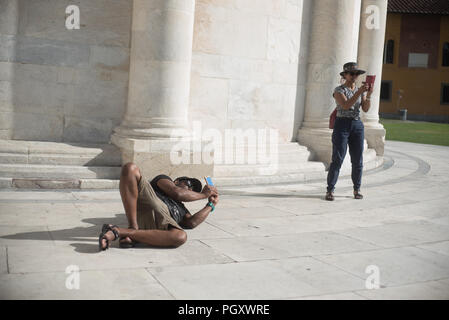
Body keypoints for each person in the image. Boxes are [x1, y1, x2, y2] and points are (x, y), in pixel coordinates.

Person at [99, 162, 219, 250]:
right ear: (177, 181)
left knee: (180, 236)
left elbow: (191, 223)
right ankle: (132, 227)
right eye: (188, 183)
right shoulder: (164, 181)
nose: (190, 188)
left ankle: (122, 232)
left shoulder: (181, 208)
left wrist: (210, 205)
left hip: (162, 222)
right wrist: (203, 194)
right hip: (148, 204)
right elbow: (177, 193)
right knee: (130, 168)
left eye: (193, 189)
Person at [325, 62, 374, 201]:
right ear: (345, 75)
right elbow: (345, 106)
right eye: (351, 74)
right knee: (338, 159)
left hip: (357, 125)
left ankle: (357, 189)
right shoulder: (338, 90)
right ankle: (330, 190)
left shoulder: (360, 90)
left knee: (358, 160)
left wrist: (368, 95)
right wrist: (360, 92)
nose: (354, 76)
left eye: (356, 74)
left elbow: (365, 108)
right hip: (342, 125)